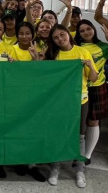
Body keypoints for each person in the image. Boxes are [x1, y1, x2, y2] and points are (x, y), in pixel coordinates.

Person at [41, 24, 98, 189]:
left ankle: (80, 170)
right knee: (58, 134)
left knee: (80, 136)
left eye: (62, 35)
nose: (60, 39)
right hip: (59, 102)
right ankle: (55, 167)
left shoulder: (82, 52)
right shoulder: (53, 54)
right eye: (56, 37)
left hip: (81, 100)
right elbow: (45, 76)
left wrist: (88, 65)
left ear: (68, 34)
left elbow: (93, 78)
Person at [74, 19, 108, 164]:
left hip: (97, 87)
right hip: (78, 89)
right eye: (82, 31)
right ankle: (76, 151)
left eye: (88, 29)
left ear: (94, 29)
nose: (86, 32)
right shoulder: (76, 47)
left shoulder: (103, 47)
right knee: (79, 123)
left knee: (93, 121)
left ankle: (87, 155)